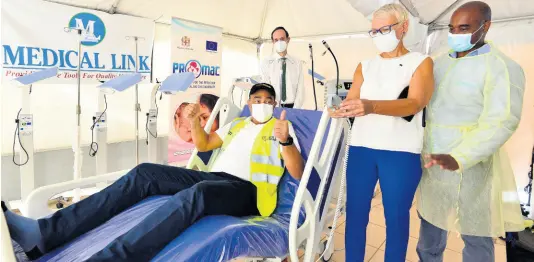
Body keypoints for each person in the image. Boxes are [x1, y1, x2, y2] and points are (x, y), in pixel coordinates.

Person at [2, 83, 304, 262]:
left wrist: (285, 140)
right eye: (257, 100)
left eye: (267, 101)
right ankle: (44, 234)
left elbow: (297, 170)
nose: (262, 104)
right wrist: (196, 122)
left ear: (275, 105)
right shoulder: (236, 125)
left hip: (248, 193)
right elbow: (204, 144)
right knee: (145, 173)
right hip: (215, 177)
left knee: (196, 195)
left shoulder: (281, 128)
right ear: (249, 103)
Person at [415, 2, 526, 262]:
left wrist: (460, 157)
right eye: (452, 28)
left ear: (484, 26)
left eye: (464, 27)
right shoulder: (439, 63)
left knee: (476, 237)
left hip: (472, 167)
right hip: (433, 163)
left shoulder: (501, 67)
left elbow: (502, 121)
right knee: (430, 229)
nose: (456, 33)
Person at [330, 3, 434, 261]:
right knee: (355, 215)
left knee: (396, 218)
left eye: (384, 29)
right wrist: (342, 109)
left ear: (404, 27)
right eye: (374, 32)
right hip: (362, 148)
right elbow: (353, 100)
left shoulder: (420, 62)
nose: (378, 36)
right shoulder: (364, 66)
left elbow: (415, 102)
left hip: (400, 151)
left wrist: (371, 106)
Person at [260, 26, 305, 109]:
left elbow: (300, 88)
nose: (279, 42)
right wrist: (272, 107)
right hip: (274, 107)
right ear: (273, 42)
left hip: (293, 107)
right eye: (276, 40)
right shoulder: (266, 62)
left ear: (288, 39)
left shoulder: (297, 63)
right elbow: (265, 87)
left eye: (282, 39)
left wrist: (295, 109)